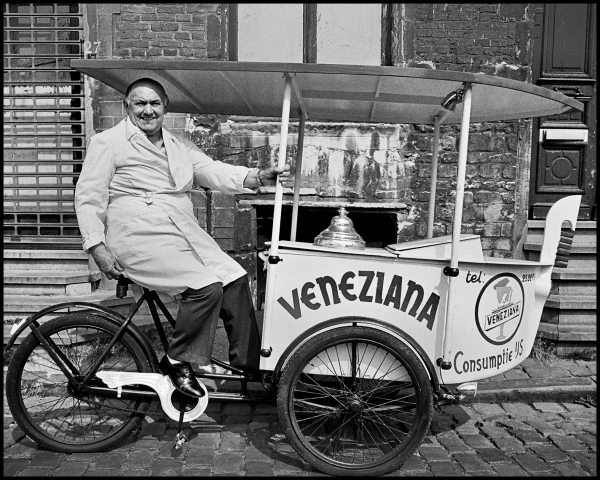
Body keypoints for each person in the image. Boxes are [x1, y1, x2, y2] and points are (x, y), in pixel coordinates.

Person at [75, 78, 290, 398]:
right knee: (205, 287)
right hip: (137, 235)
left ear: (164, 107)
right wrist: (97, 247)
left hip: (178, 232)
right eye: (140, 103)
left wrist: (255, 177)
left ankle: (252, 368)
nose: (148, 111)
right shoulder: (107, 142)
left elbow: (210, 170)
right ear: (126, 106)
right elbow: (89, 197)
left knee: (234, 277)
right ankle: (177, 362)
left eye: (155, 104)